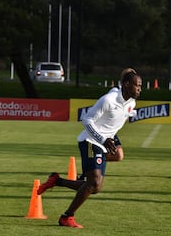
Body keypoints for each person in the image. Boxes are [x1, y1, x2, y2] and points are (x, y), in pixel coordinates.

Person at [38, 68, 142, 228]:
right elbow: (87, 120)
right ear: (127, 85)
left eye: (140, 86)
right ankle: (66, 217)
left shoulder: (131, 102)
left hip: (103, 144)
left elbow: (122, 112)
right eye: (137, 86)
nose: (140, 89)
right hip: (90, 140)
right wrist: (103, 138)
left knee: (95, 187)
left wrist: (127, 116)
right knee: (93, 183)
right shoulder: (108, 100)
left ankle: (56, 181)